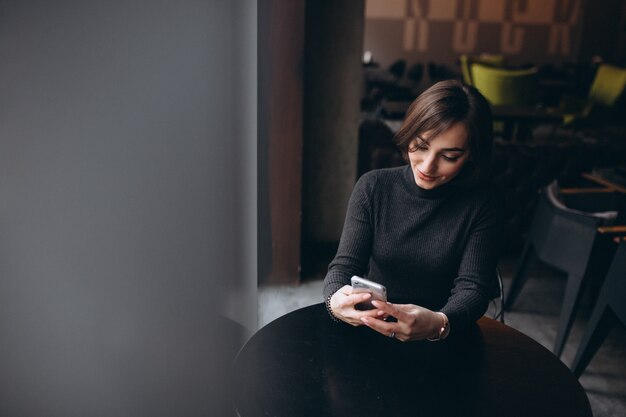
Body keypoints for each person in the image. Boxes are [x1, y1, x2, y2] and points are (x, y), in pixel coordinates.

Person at [323, 79, 502, 342]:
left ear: (471, 155)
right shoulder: (373, 187)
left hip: (445, 332)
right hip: (373, 327)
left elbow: (473, 289)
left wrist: (439, 323)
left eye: (449, 156)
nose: (428, 166)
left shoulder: (483, 203)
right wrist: (334, 301)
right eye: (420, 145)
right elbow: (344, 265)